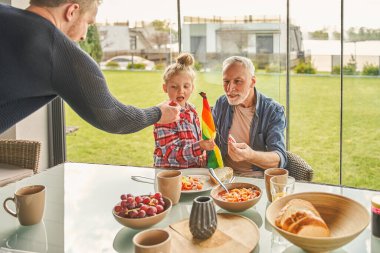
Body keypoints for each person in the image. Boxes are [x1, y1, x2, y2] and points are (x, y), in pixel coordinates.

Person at [0, 0, 179, 135]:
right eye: (88, 23)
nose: (85, 35)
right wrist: (157, 113)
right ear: (72, 11)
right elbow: (112, 117)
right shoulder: (60, 52)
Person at [212, 56, 287, 177]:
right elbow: (209, 142)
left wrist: (250, 155)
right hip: (222, 176)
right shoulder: (221, 104)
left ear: (252, 82)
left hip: (256, 178)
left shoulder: (273, 110)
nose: (229, 88)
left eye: (238, 81)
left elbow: (279, 159)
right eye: (226, 81)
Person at [153, 53, 214, 168]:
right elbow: (170, 154)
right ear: (165, 88)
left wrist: (201, 152)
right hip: (170, 175)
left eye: (186, 86)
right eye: (174, 87)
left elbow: (195, 139)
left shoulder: (192, 110)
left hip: (191, 173)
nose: (181, 91)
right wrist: (199, 147)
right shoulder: (163, 115)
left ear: (192, 88)